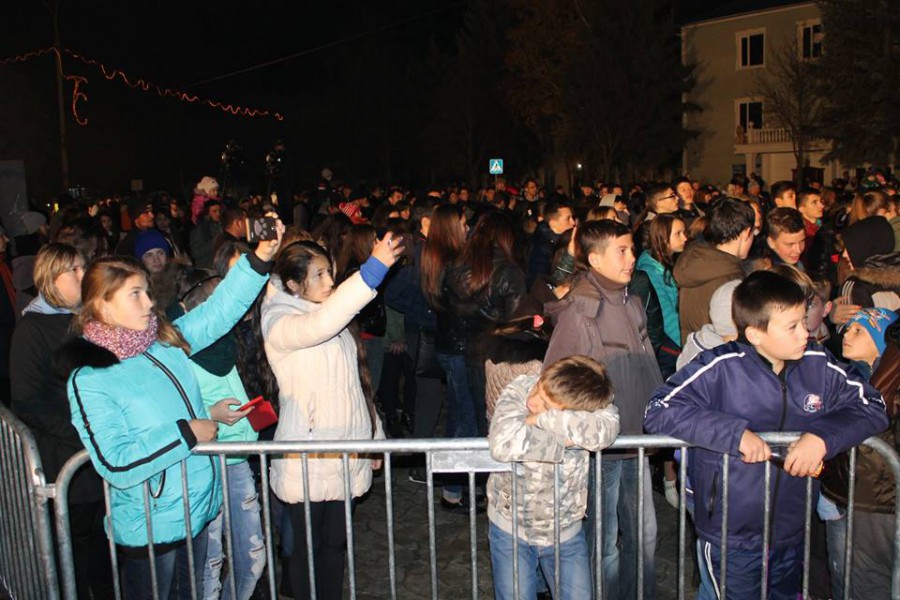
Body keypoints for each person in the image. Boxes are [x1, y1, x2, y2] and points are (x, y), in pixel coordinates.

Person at [62, 226, 282, 599]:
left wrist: (259, 259)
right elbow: (115, 460)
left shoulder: (163, 341)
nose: (149, 302)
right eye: (135, 294)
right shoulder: (91, 378)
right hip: (152, 526)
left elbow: (218, 311)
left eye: (147, 292)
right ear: (103, 305)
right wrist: (187, 432)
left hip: (196, 509)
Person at [644, 270, 889, 599]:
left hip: (791, 530)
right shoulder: (721, 366)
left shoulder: (818, 364)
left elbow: (873, 405)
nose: (805, 332)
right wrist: (735, 434)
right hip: (732, 534)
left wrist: (822, 437)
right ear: (755, 334)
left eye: (803, 321)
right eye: (792, 326)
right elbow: (658, 411)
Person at [262, 233, 401, 600]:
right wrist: (372, 271)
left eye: (329, 272)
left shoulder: (331, 312)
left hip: (345, 450)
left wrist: (374, 438)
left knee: (335, 546)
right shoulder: (279, 319)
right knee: (307, 548)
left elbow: (357, 384)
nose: (329, 282)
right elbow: (319, 326)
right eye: (319, 275)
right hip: (307, 454)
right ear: (294, 285)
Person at [543, 219, 663, 599]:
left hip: (636, 441)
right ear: (594, 259)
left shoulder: (631, 300)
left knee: (644, 534)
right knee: (605, 541)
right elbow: (555, 379)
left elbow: (646, 366)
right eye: (621, 251)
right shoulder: (581, 310)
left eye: (632, 249)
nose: (631, 259)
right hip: (603, 449)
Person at [10, 244, 114, 599]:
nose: (85, 276)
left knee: (104, 544)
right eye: (75, 270)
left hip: (98, 450)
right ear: (52, 277)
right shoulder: (32, 329)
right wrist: (79, 433)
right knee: (78, 547)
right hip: (67, 456)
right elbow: (28, 401)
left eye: (85, 267)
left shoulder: (89, 318)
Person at [487, 355, 620, 600]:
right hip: (511, 530)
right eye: (539, 388)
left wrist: (540, 420)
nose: (532, 402)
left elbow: (606, 430)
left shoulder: (595, 404)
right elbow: (503, 442)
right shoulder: (520, 386)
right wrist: (567, 439)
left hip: (565, 532)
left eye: (546, 404)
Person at [173, 269, 266, 600]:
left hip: (237, 459)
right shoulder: (176, 352)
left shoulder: (231, 343)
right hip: (204, 464)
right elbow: (168, 413)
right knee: (209, 564)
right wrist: (210, 415)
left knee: (252, 559)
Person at [821, 310, 899, 599]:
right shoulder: (841, 372)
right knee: (844, 573)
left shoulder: (884, 381)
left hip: (871, 497)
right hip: (843, 492)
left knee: (863, 577)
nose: (847, 335)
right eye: (848, 328)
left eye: (859, 331)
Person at [674, 197, 755, 344]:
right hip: (719, 355)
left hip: (694, 352)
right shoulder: (729, 278)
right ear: (746, 232)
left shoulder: (696, 261)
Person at [633, 214, 687, 377]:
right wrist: (686, 342)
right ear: (663, 238)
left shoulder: (667, 263)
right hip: (669, 346)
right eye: (678, 234)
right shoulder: (650, 271)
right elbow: (667, 315)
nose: (685, 238)